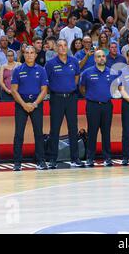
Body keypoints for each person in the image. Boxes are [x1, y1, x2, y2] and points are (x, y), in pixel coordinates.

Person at [45, 39, 84, 169]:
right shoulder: (50, 64)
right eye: (59, 45)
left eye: (64, 45)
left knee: (73, 128)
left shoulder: (74, 62)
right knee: (54, 129)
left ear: (67, 47)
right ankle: (52, 159)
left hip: (72, 98)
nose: (62, 48)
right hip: (56, 98)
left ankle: (75, 158)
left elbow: (76, 78)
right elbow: (47, 82)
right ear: (56, 48)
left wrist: (69, 87)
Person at [11, 45, 49, 171]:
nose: (29, 55)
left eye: (32, 52)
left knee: (38, 133)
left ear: (35, 55)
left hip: (36, 104)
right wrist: (24, 104)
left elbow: (44, 90)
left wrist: (34, 104)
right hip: (21, 104)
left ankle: (41, 161)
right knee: (19, 134)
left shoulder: (41, 70)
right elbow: (14, 91)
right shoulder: (17, 70)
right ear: (24, 54)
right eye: (27, 52)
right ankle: (17, 162)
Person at [79, 50, 117, 167]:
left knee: (106, 132)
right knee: (92, 132)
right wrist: (90, 97)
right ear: (95, 59)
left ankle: (107, 158)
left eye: (103, 56)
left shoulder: (112, 72)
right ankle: (90, 158)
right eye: (98, 56)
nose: (101, 58)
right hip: (93, 105)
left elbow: (115, 88)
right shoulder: (87, 72)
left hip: (107, 105)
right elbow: (82, 88)